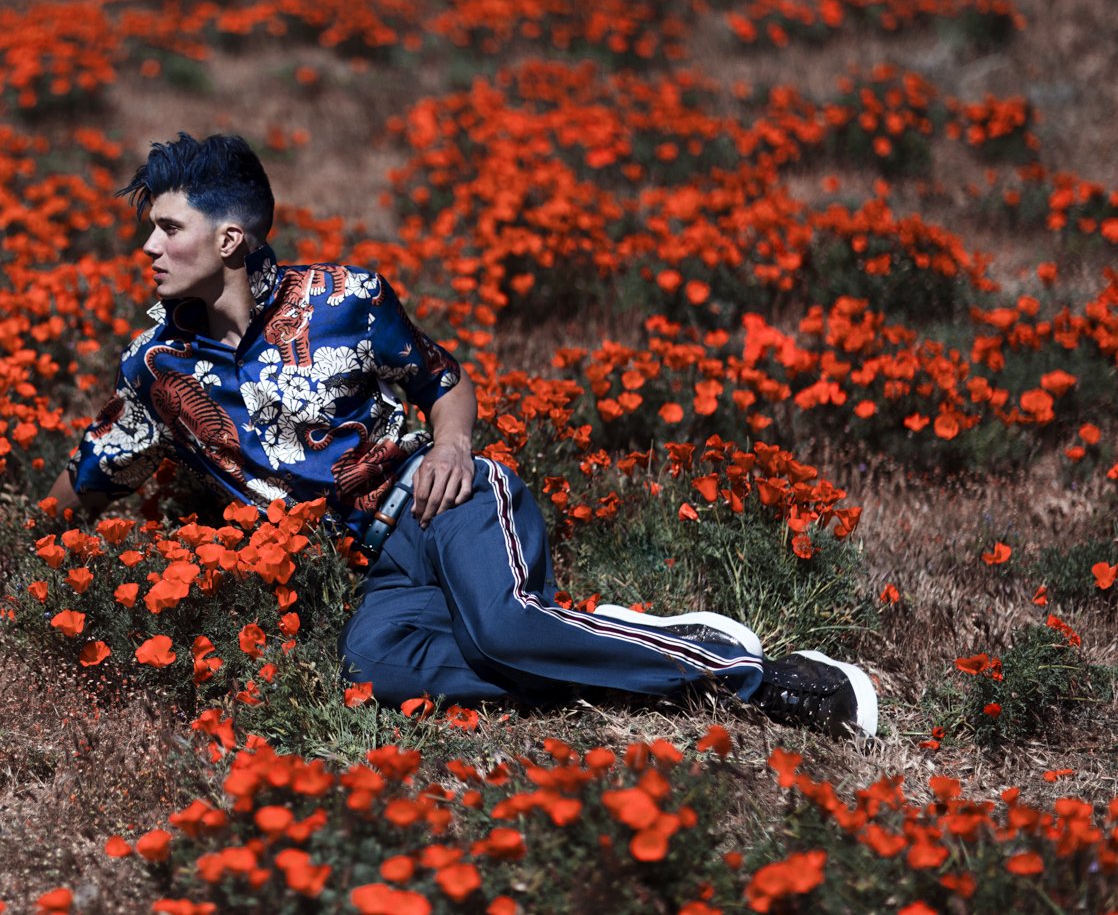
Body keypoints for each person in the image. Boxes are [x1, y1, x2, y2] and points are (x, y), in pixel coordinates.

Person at [46, 133, 878, 738]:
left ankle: (760, 680)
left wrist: (450, 447)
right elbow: (96, 467)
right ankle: (650, 641)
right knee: (376, 672)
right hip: (385, 563)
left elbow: (444, 382)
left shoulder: (346, 298)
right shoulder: (155, 365)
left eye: (167, 228)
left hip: (447, 501)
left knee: (506, 630)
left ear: (229, 238)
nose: (148, 247)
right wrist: (29, 536)